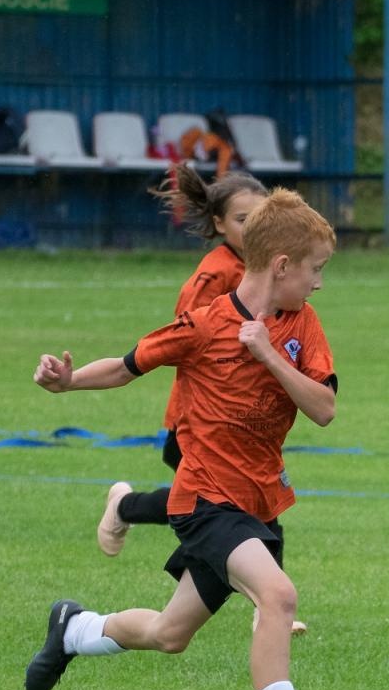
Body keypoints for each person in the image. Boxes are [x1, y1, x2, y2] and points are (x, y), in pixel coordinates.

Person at [26, 188, 348, 690]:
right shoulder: (205, 323)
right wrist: (67, 383)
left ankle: (72, 629)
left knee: (169, 635)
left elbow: (324, 408)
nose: (319, 283)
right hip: (204, 500)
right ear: (282, 265)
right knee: (278, 596)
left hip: (258, 503)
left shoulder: (301, 324)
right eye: (315, 269)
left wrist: (269, 355)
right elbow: (129, 364)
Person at [95, 166, 308, 635]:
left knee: (255, 497)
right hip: (198, 419)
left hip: (244, 419)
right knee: (213, 502)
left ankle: (265, 602)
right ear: (218, 224)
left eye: (260, 218)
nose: (253, 228)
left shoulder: (272, 271)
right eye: (242, 220)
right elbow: (186, 335)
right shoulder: (214, 275)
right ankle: (126, 506)